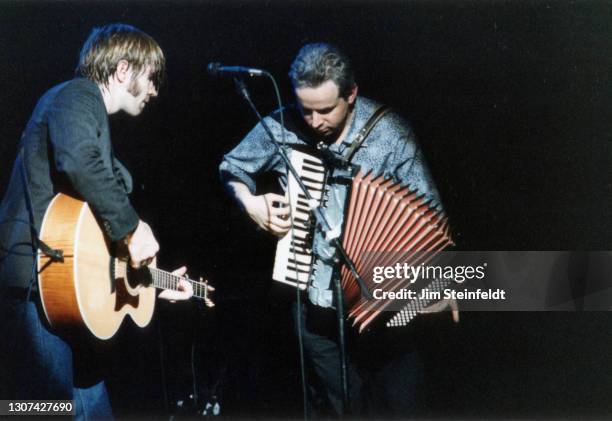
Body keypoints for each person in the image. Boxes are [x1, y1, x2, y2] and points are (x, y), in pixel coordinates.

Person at [220, 43, 456, 417]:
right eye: (305, 109)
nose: (313, 122)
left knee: (399, 407)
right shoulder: (281, 124)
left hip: (383, 311)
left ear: (351, 94)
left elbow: (431, 221)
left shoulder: (390, 134)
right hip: (314, 309)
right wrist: (251, 204)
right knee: (338, 409)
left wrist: (436, 283)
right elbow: (231, 167)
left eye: (325, 110)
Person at [0, 23, 192, 418]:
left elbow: (95, 249)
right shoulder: (76, 95)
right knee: (38, 411)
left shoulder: (91, 121)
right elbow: (79, 159)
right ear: (123, 70)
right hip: (35, 286)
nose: (155, 90)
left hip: (65, 294)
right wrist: (133, 228)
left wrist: (153, 281)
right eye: (151, 77)